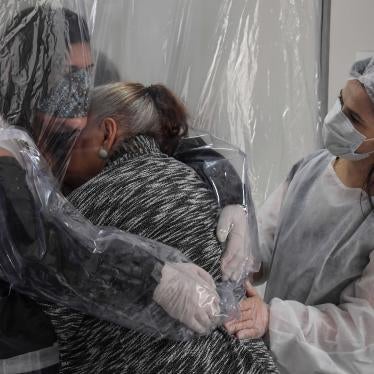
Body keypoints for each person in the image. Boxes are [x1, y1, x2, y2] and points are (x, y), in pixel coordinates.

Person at [0, 5, 221, 373]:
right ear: (26, 83)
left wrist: (227, 186)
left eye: (82, 89)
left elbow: (156, 125)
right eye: (64, 89)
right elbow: (44, 248)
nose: (76, 117)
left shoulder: (33, 150)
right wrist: (152, 277)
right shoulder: (7, 159)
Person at [42, 82, 278, 374]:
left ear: (107, 133)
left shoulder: (83, 210)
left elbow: (48, 327)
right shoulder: (202, 181)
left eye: (69, 138)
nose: (54, 155)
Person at [222, 58, 374, 373]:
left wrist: (273, 320)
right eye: (340, 102)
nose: (337, 118)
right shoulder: (311, 169)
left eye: (354, 118)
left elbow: (361, 333)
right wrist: (237, 256)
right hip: (270, 360)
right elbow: (263, 239)